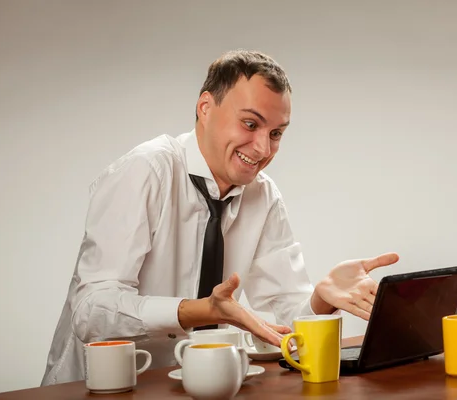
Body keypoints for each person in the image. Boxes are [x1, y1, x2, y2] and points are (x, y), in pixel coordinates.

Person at [41, 49, 399, 385]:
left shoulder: (263, 194)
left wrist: (323, 296)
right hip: (104, 387)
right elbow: (91, 312)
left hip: (202, 385)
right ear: (205, 108)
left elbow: (288, 320)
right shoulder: (145, 171)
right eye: (249, 124)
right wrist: (201, 311)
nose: (263, 149)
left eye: (276, 133)